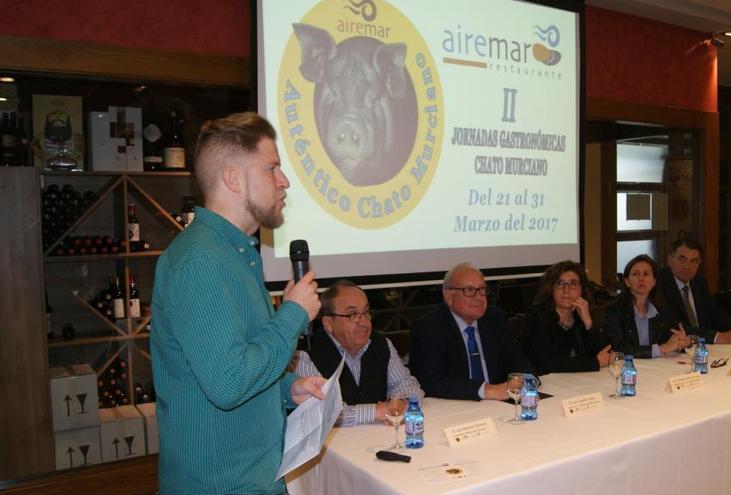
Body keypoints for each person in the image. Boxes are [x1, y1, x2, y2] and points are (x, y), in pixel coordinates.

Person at [151, 112, 324, 494]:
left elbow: (236, 363)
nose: (285, 181)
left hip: (256, 480)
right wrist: (293, 314)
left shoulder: (238, 255)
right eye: (272, 168)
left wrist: (286, 389)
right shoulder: (201, 261)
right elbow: (228, 383)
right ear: (232, 177)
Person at [292, 280, 424, 426]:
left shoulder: (380, 343)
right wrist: (377, 411)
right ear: (328, 323)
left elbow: (407, 385)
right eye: (352, 314)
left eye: (366, 313)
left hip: (377, 436)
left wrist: (400, 403)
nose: (363, 322)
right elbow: (323, 411)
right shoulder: (304, 354)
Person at [409, 262, 535, 400]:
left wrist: (526, 381)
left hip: (499, 405)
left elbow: (516, 359)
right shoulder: (429, 327)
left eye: (482, 289)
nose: (479, 297)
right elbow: (429, 381)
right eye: (469, 290)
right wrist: (486, 390)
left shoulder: (494, 318)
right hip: (456, 406)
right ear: (449, 296)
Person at [659, 237, 731, 344]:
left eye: (694, 261)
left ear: (699, 263)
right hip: (672, 351)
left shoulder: (699, 282)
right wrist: (719, 337)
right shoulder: (659, 285)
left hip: (702, 348)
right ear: (670, 260)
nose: (687, 266)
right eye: (682, 259)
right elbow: (675, 327)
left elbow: (715, 314)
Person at [521, 260, 613, 375]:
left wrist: (589, 323)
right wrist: (595, 363)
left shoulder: (582, 313)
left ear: (581, 289)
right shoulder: (536, 315)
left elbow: (607, 353)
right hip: (544, 384)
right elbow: (549, 363)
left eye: (573, 283)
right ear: (551, 289)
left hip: (576, 381)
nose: (566, 290)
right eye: (560, 283)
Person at [603, 254, 689, 358]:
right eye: (635, 274)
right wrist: (662, 348)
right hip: (627, 368)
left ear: (654, 282)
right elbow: (618, 349)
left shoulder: (662, 309)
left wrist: (681, 341)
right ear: (627, 282)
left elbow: (671, 337)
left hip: (655, 367)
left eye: (646, 274)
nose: (641, 278)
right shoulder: (614, 311)